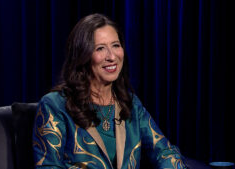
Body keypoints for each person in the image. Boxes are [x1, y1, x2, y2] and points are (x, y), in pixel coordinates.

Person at [32, 13, 189, 169]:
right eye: (100, 48)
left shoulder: (130, 103)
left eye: (116, 45)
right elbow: (48, 166)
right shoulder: (55, 104)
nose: (112, 56)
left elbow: (165, 152)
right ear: (83, 55)